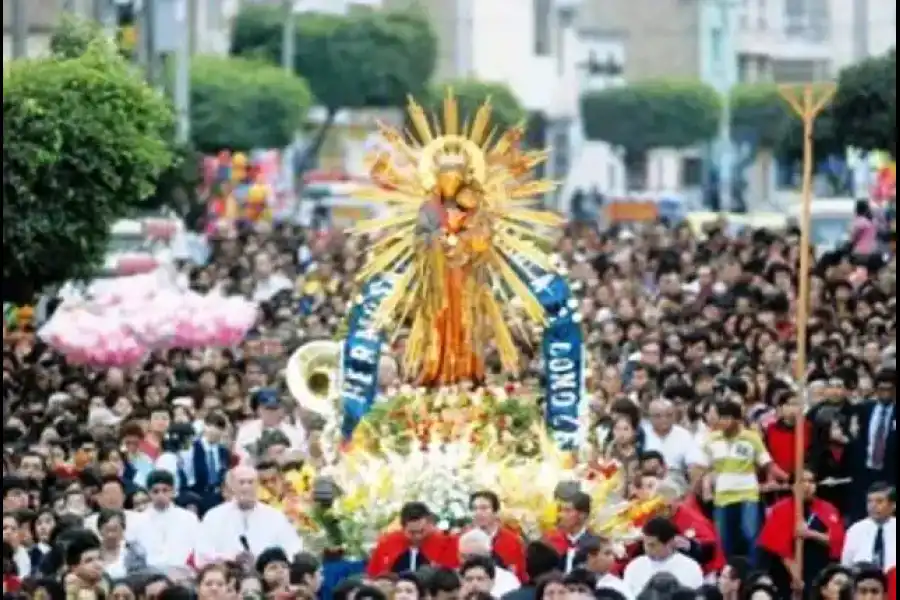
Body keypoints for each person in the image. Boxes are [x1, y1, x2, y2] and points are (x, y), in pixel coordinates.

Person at [696, 400, 787, 563]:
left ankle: (754, 570)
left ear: (737, 419)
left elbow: (768, 464)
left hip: (748, 495)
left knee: (751, 534)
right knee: (723, 538)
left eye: (726, 417)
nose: (721, 422)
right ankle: (727, 570)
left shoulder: (752, 438)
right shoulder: (711, 440)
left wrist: (788, 478)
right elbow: (701, 468)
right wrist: (695, 489)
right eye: (720, 417)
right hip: (722, 497)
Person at [757, 466, 846, 595]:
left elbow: (836, 540)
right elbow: (778, 547)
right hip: (787, 572)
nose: (807, 486)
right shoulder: (781, 509)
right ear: (792, 486)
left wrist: (810, 534)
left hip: (819, 570)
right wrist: (796, 576)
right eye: (802, 481)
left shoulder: (827, 508)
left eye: (811, 481)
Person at [194, 466, 302, 566]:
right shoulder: (214, 516)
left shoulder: (274, 516)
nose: (246, 487)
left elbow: (293, 549)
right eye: (241, 482)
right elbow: (202, 554)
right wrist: (232, 559)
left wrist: (263, 561)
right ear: (232, 486)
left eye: (250, 482)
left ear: (258, 485)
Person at [128, 470, 199, 571]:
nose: (160, 495)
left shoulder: (189, 518)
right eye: (155, 491)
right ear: (148, 493)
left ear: (173, 491)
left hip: (183, 573)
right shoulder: (137, 520)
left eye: (165, 490)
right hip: (149, 575)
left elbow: (196, 550)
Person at [849, 371, 897, 520]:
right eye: (882, 389)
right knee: (862, 512)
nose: (886, 393)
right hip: (866, 470)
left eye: (890, 389)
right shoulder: (864, 409)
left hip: (891, 471)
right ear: (876, 390)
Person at [367, 502, 457, 576]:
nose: (418, 536)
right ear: (402, 528)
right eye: (412, 532)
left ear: (430, 524)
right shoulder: (387, 543)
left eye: (422, 531)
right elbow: (373, 575)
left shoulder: (447, 543)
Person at [622, 517, 704, 593]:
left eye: (652, 545)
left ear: (670, 543)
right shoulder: (634, 567)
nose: (647, 549)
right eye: (644, 543)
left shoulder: (690, 568)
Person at [234, 388, 307, 463]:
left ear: (281, 409)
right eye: (267, 408)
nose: (271, 412)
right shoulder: (246, 431)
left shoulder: (294, 433)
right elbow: (238, 458)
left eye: (275, 408)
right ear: (259, 410)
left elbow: (303, 457)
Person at [469, 490, 526, 581]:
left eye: (484, 508)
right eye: (474, 509)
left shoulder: (512, 541)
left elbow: (518, 575)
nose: (478, 513)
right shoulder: (464, 540)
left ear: (496, 512)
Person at [841, 482, 897, 571]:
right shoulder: (855, 530)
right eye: (869, 501)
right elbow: (846, 566)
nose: (873, 506)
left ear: (893, 505)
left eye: (879, 501)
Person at [543, 492, 601, 573]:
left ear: (582, 515)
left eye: (567, 511)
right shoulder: (550, 540)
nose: (561, 515)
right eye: (561, 510)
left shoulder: (595, 544)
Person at [458, 529, 520, 597]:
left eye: (475, 557)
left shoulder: (507, 580)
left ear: (489, 555)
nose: (469, 561)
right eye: (464, 556)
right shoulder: (453, 577)